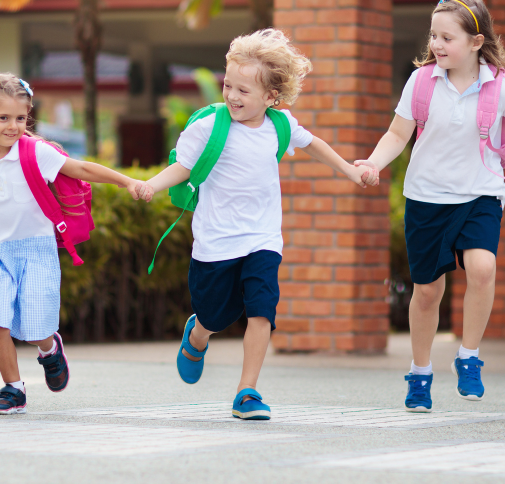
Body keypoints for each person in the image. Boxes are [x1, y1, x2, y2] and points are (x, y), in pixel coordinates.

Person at [137, 29, 372, 420]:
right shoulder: (209, 126)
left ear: (271, 97)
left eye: (243, 91)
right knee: (215, 315)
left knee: (262, 311)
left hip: (262, 239)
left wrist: (349, 170)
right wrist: (150, 185)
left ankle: (247, 392)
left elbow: (312, 143)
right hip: (215, 242)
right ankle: (198, 335)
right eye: (229, 85)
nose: (231, 96)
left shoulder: (279, 126)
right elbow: (183, 166)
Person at [355, 0, 505, 412]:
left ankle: (468, 357)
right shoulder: (421, 83)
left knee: (483, 267)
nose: (437, 45)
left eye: (447, 38)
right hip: (426, 197)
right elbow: (397, 134)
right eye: (434, 36)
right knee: (428, 291)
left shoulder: (500, 89)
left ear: (476, 42)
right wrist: (373, 163)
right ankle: (420, 372)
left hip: (481, 192)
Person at [0, 72, 150, 414]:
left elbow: (82, 169)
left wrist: (126, 181)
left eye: (21, 118)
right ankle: (13, 389)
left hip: (36, 249)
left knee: (35, 328)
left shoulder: (35, 152)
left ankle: (49, 348)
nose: (13, 126)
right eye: (3, 118)